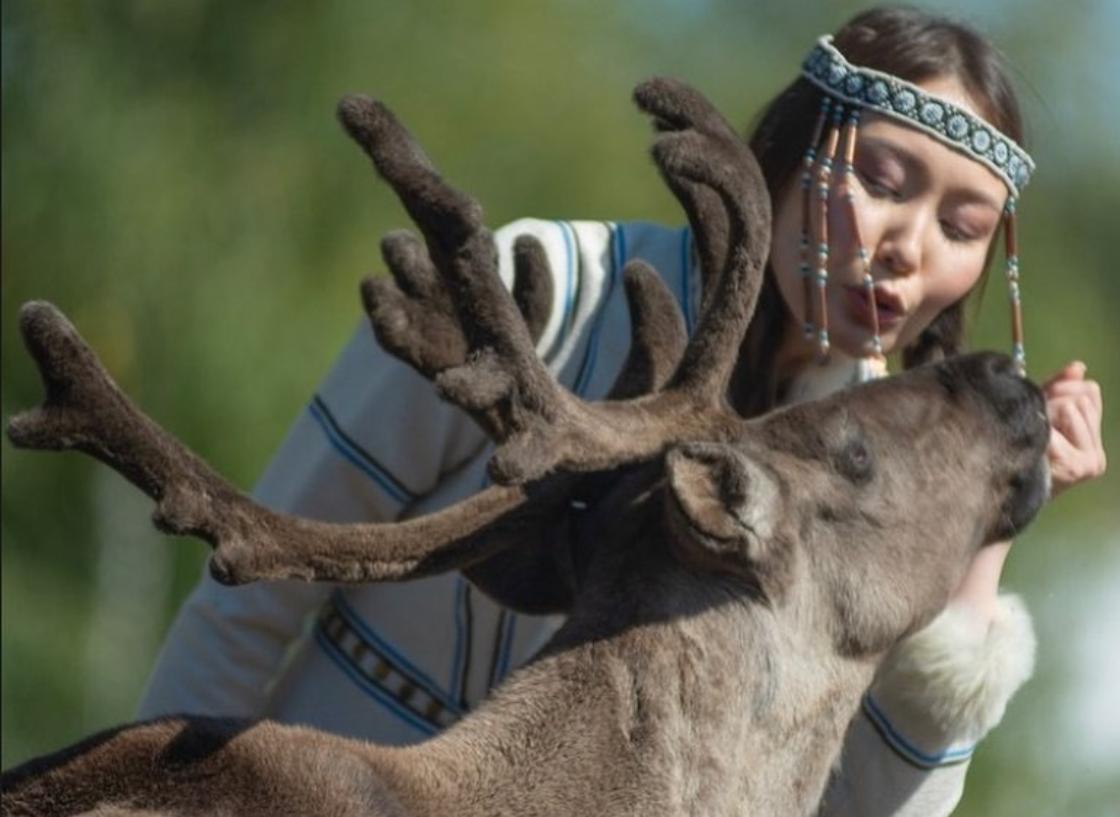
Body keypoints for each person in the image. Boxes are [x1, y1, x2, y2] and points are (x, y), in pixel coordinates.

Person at [137, 7, 1105, 815]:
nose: (907, 245)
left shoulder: (878, 480)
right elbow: (251, 594)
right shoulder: (534, 297)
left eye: (962, 227)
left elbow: (859, 806)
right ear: (790, 154)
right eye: (880, 182)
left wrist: (989, 509)